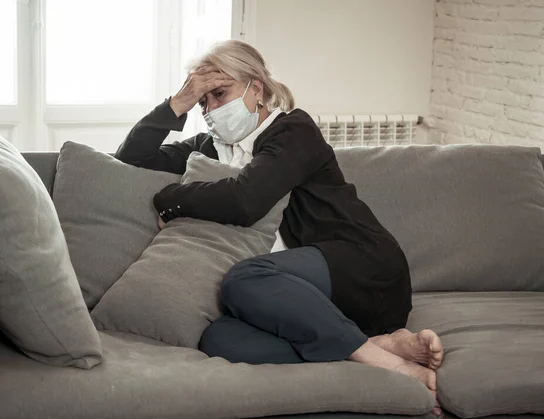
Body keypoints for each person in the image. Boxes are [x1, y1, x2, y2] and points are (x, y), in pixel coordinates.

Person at [115, 40, 444, 417]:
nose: (210, 110)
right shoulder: (209, 149)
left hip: (362, 269)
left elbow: (245, 200)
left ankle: (391, 365)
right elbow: (130, 160)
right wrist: (178, 102)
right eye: (203, 101)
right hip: (302, 301)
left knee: (243, 280)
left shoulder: (292, 130)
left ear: (256, 89)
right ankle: (375, 345)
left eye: (219, 94)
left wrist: (172, 198)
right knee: (219, 339)